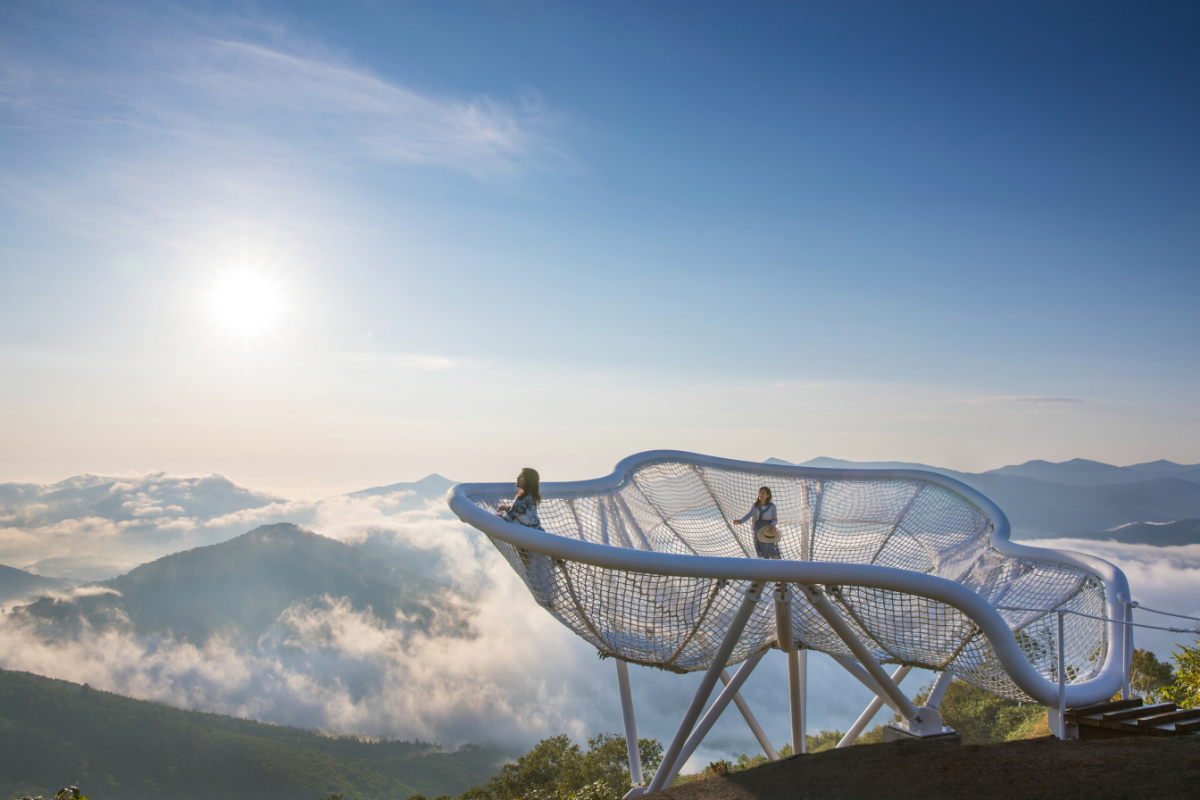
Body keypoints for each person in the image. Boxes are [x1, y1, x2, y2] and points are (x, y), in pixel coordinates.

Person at [733, 486, 780, 558]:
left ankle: (777, 565)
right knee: (761, 550)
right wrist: (740, 521)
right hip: (758, 528)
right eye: (760, 493)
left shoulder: (772, 506)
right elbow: (749, 515)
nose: (761, 494)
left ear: (768, 495)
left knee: (770, 546)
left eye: (763, 493)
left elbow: (775, 519)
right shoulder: (755, 506)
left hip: (768, 529)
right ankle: (764, 566)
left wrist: (772, 525)